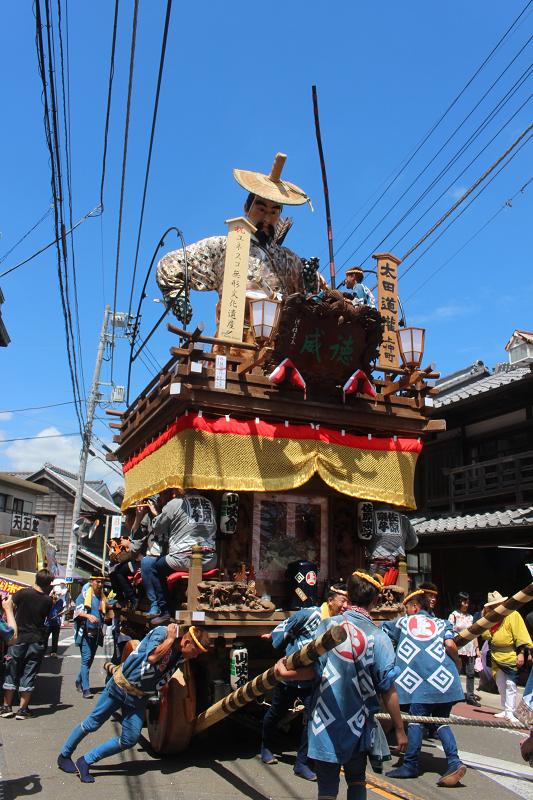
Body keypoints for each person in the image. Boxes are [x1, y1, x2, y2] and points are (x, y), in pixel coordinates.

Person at [275, 570, 407, 800]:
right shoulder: (379, 636)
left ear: (347, 595)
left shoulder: (327, 625)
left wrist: (286, 674)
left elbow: (314, 670)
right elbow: (387, 687)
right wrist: (399, 728)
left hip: (326, 721)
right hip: (359, 723)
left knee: (327, 789)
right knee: (357, 781)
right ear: (376, 601)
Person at [156, 153, 324, 332]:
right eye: (261, 209)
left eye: (274, 212)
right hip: (235, 339)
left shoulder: (288, 259)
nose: (267, 218)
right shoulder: (224, 246)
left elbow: (317, 297)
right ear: (246, 209)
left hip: (281, 340)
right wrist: (177, 295)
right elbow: (171, 262)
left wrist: (310, 279)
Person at [57, 624, 210, 782]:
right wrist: (170, 639)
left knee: (129, 739)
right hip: (120, 687)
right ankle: (64, 755)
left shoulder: (182, 657)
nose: (195, 656)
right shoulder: (162, 633)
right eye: (195, 652)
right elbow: (152, 657)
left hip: (138, 697)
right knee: (92, 723)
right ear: (186, 642)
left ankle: (86, 760)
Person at [260, 585, 348, 781]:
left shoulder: (339, 623)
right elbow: (290, 623)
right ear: (331, 600)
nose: (345, 605)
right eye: (342, 601)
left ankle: (301, 763)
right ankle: (266, 746)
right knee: (276, 711)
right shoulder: (311, 614)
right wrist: (275, 636)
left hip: (313, 677)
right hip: (292, 671)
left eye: (348, 602)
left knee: (313, 718)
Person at [382, 588, 466, 787]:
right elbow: (451, 646)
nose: (407, 612)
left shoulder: (403, 622)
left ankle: (410, 764)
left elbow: (383, 631)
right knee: (441, 721)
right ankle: (454, 761)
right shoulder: (443, 622)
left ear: (415, 606)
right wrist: (458, 663)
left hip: (419, 682)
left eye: (408, 608)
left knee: (417, 720)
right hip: (444, 681)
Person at [139, 488, 217, 625]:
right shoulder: (209, 504)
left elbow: (158, 528)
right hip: (210, 559)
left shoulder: (176, 503)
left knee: (153, 566)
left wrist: (156, 514)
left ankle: (165, 610)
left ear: (183, 488)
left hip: (184, 559)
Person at [1, 569, 54, 720]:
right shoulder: (48, 600)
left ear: (36, 579)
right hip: (36, 639)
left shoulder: (22, 593)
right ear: (48, 584)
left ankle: (6, 707)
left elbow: (8, 605)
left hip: (18, 637)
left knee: (11, 669)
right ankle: (22, 710)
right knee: (29, 673)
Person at [481, 590, 532, 723]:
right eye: (494, 605)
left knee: (511, 684)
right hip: (496, 655)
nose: (497, 607)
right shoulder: (491, 617)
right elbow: (485, 635)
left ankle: (510, 710)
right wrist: (485, 616)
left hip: (510, 654)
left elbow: (520, 635)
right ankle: (505, 708)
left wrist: (521, 653)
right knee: (500, 683)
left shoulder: (513, 615)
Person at [74, 575, 111, 699]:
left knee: (89, 660)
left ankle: (79, 681)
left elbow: (103, 613)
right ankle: (86, 689)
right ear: (91, 582)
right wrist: (88, 616)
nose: (100, 585)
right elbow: (77, 612)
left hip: (96, 633)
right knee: (86, 659)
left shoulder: (102, 598)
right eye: (97, 582)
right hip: (86, 632)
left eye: (102, 582)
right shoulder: (84, 596)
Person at [448, 591, 480, 707]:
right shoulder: (453, 616)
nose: (466, 605)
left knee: (470, 673)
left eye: (468, 603)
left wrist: (477, 649)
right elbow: (449, 632)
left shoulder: (471, 618)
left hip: (470, 648)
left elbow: (474, 634)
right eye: (464, 603)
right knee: (457, 671)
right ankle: (455, 694)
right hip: (458, 648)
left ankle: (470, 696)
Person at [108, 508, 138, 610]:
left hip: (140, 561)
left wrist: (128, 544)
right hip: (134, 561)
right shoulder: (132, 532)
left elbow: (137, 549)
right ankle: (120, 594)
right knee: (113, 567)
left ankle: (132, 597)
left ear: (134, 519)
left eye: (127, 520)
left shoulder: (139, 530)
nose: (126, 523)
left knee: (118, 570)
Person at [44, 587, 66, 657]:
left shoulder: (60, 601)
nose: (58, 596)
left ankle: (54, 651)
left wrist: (61, 613)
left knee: (55, 637)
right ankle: (43, 651)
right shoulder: (49, 600)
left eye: (59, 594)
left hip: (56, 622)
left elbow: (61, 609)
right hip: (48, 621)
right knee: (45, 637)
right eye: (57, 594)